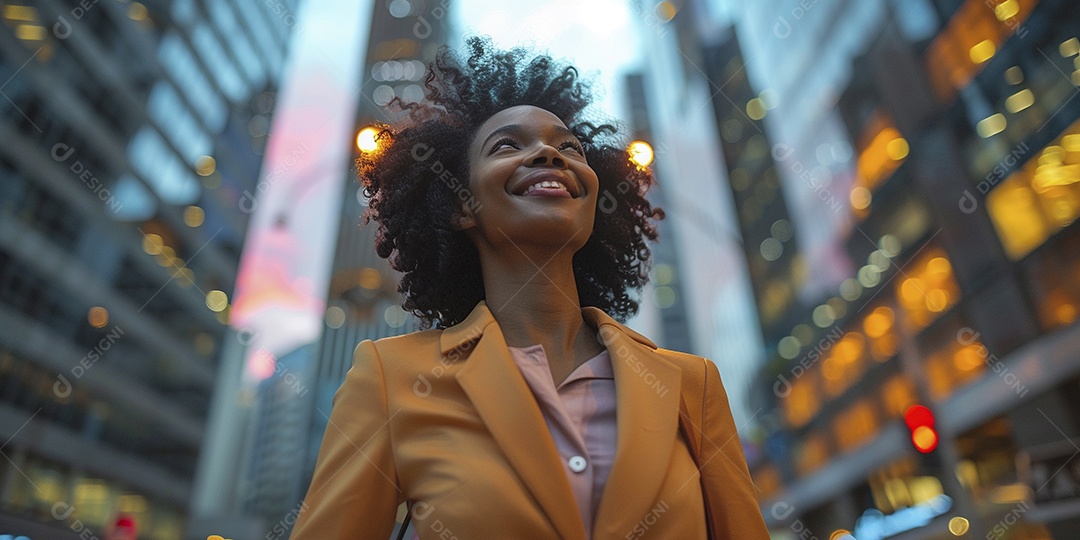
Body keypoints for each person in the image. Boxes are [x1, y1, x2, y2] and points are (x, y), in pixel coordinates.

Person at [290, 37, 769, 539]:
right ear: (460, 205)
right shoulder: (391, 380)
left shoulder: (693, 386)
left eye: (570, 148)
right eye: (507, 145)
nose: (548, 153)